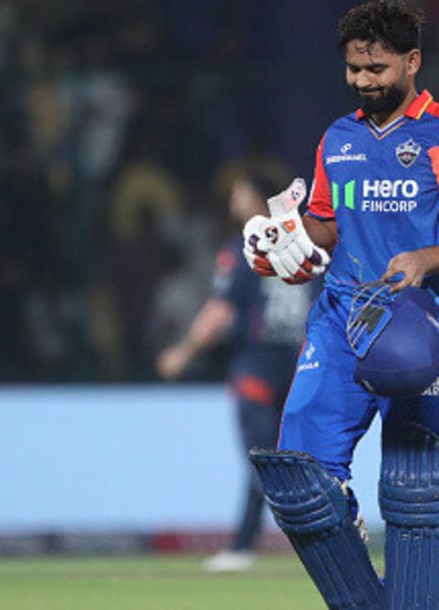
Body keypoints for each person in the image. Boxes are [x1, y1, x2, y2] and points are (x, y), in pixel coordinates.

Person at [241, 0, 439, 608]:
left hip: (426, 318)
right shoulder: (339, 137)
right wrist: (285, 242)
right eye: (354, 69)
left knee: (415, 489)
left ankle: (429, 557)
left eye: (377, 69)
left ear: (412, 62)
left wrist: (424, 259)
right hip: (341, 318)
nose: (363, 81)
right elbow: (326, 225)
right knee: (299, 481)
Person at [156, 163, 314, 572]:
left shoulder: (242, 248)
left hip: (257, 370)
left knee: (262, 461)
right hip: (305, 368)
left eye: (239, 192)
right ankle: (315, 540)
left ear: (255, 200)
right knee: (301, 460)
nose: (233, 199)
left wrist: (184, 353)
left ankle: (246, 547)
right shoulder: (310, 243)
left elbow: (220, 311)